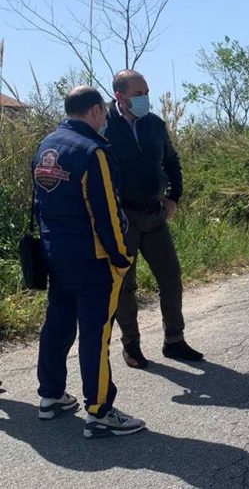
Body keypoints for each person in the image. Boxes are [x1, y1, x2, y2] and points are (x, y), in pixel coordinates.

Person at [33, 85, 145, 438]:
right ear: (96, 110)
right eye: (104, 114)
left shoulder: (44, 147)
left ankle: (50, 395)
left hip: (55, 254)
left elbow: (39, 206)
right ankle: (99, 410)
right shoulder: (92, 151)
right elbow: (107, 214)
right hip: (93, 259)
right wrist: (121, 257)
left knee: (58, 325)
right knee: (96, 334)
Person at [105, 70, 201, 369]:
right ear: (119, 96)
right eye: (138, 93)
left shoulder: (155, 124)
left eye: (146, 91)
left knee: (171, 278)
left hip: (154, 214)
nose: (145, 98)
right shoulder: (103, 126)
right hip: (123, 218)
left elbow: (172, 161)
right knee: (125, 285)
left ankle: (174, 341)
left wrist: (174, 196)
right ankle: (131, 345)